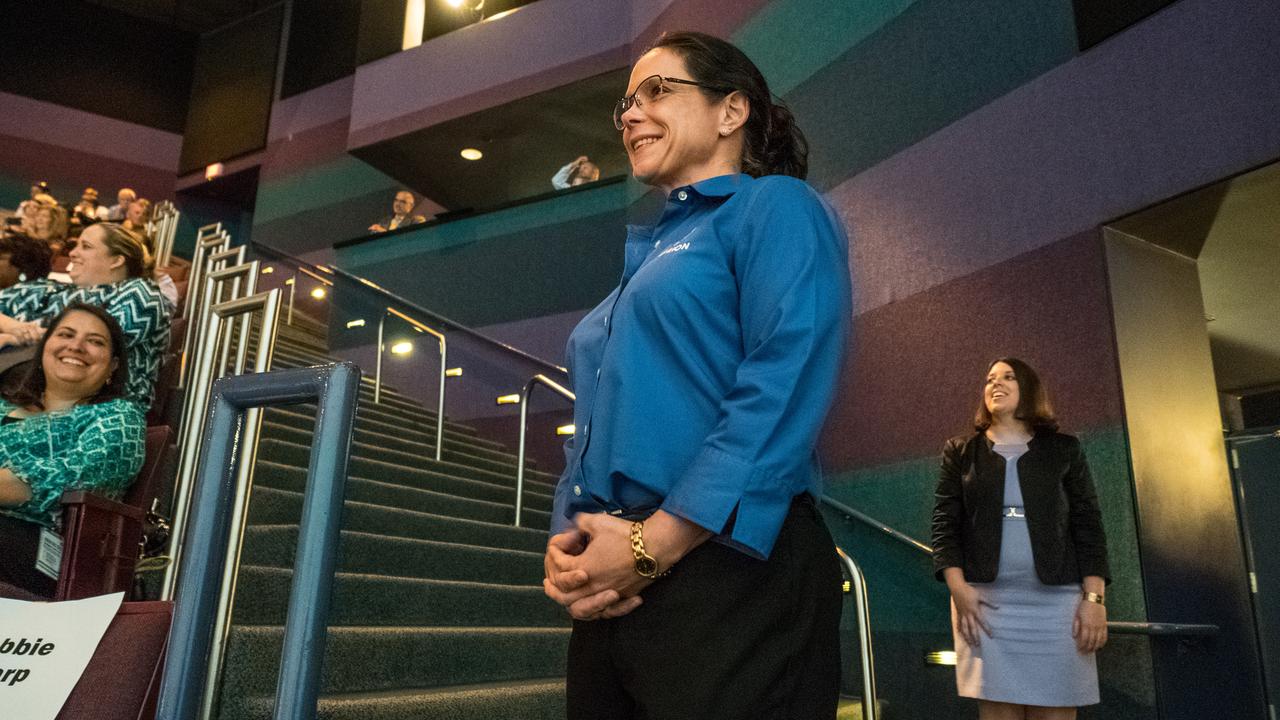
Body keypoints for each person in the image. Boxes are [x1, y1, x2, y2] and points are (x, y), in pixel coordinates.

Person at [542, 31, 852, 719]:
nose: (629, 114)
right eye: (625, 102)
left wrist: (660, 542)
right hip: (617, 581)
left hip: (730, 564)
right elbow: (592, 418)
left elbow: (785, 376)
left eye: (657, 91)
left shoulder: (774, 208)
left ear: (731, 110)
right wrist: (567, 542)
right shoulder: (643, 264)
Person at [931, 358, 1110, 719]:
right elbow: (944, 524)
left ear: (1028, 388)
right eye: (990, 379)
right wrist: (958, 590)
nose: (995, 384)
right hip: (983, 606)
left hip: (1059, 608)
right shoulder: (961, 452)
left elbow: (1088, 524)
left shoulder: (1064, 449)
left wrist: (1095, 599)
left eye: (1008, 377)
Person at [0, 302, 145, 598]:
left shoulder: (118, 418)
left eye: (95, 341)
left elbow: (60, 481)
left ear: (113, 366)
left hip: (48, 550)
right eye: (65, 334)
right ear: (44, 349)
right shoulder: (4, 407)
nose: (76, 346)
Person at [0, 223, 171, 408]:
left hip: (95, 408)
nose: (73, 253)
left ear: (116, 260)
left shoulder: (140, 293)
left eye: (86, 246)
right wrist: (13, 327)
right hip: (29, 384)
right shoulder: (55, 289)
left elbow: (94, 344)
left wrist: (13, 337)